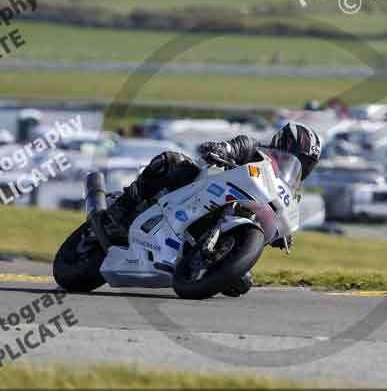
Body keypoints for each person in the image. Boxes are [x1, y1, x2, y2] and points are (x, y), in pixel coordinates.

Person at [93, 123, 322, 295]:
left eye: (308, 162)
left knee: (241, 285)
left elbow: (279, 215)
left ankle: (202, 259)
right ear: (283, 144)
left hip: (231, 221)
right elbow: (232, 146)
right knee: (172, 162)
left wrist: (282, 234)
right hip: (201, 191)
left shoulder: (290, 192)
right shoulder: (253, 150)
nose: (303, 164)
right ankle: (121, 209)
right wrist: (222, 149)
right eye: (302, 157)